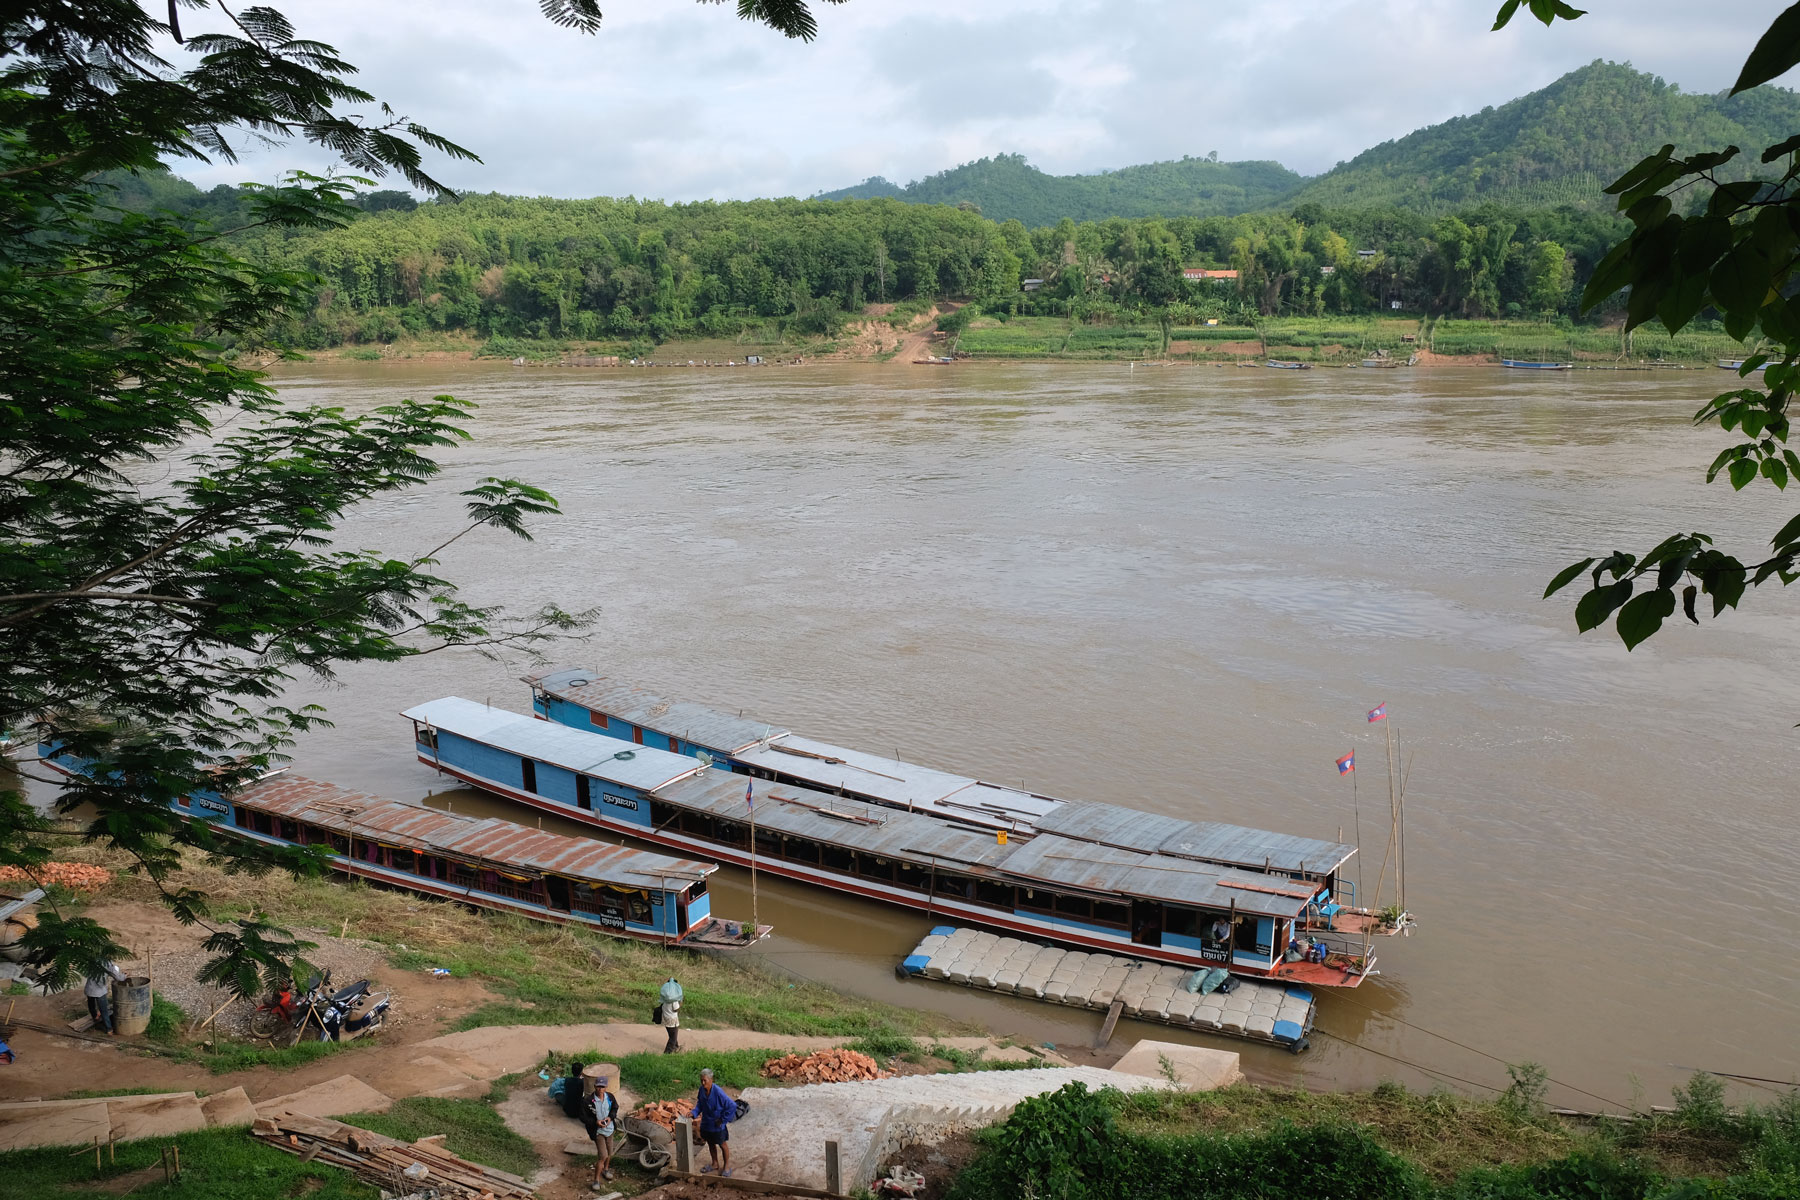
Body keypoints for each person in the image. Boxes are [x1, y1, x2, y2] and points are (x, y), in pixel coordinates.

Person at [688, 1067, 735, 1177]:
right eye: (701, 1081)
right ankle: (715, 1163)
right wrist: (694, 1112)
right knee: (710, 1143)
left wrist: (723, 1119)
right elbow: (700, 1104)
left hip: (717, 1125)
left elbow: (732, 1106)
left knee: (722, 1144)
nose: (703, 1083)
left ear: (711, 1080)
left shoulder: (718, 1092)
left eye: (705, 1080)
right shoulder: (701, 1090)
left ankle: (727, 1166)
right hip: (707, 1123)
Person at [588, 1073, 619, 1188]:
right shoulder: (589, 1101)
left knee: (610, 1153)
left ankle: (605, 1170)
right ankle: (596, 1180)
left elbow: (615, 1108)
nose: (600, 1089)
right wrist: (595, 1122)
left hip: (609, 1130)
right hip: (598, 1132)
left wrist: (610, 1118)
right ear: (595, 1086)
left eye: (602, 1087)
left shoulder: (610, 1097)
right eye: (598, 1086)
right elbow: (583, 1116)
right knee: (602, 1156)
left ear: (606, 1087)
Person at [83, 959, 126, 1034]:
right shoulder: (107, 963)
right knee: (104, 1010)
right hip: (99, 990)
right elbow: (119, 978)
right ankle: (109, 1029)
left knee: (91, 1004)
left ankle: (95, 1016)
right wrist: (125, 975)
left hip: (89, 988)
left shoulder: (93, 959)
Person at [660, 976, 682, 1054]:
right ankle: (667, 1052)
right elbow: (676, 1009)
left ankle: (676, 1047)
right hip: (672, 1019)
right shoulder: (674, 1000)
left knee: (672, 1034)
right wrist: (681, 1002)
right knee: (673, 1037)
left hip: (666, 1018)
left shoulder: (665, 998)